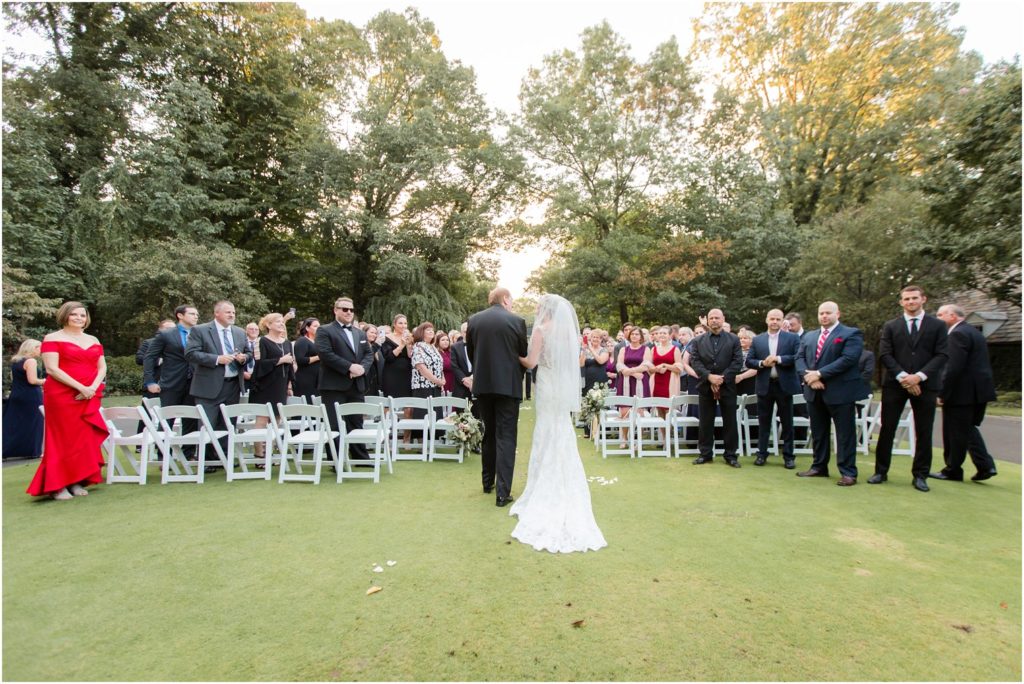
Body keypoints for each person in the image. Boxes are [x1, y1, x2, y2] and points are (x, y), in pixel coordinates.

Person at [511, 294, 606, 553]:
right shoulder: (567, 333)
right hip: (560, 385)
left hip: (546, 383)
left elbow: (531, 362)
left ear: (545, 310)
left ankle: (543, 480)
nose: (537, 310)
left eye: (538, 307)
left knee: (545, 428)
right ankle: (562, 471)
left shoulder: (541, 330)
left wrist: (515, 355)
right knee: (560, 426)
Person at [870, 285, 948, 492]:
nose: (910, 302)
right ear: (901, 302)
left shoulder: (937, 325)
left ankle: (920, 475)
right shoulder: (891, 326)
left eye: (914, 298)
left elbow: (942, 354)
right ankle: (880, 471)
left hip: (926, 385)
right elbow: (885, 354)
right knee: (887, 428)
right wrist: (904, 377)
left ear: (923, 299)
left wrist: (919, 377)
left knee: (924, 430)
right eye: (906, 299)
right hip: (895, 384)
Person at [27, 302, 108, 500]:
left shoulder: (93, 339)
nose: (79, 318)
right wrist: (81, 387)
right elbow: (52, 369)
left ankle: (77, 480)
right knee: (62, 439)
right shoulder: (52, 338)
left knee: (83, 439)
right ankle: (58, 486)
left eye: (82, 315)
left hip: (89, 395)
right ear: (65, 316)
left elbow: (102, 367)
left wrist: (91, 388)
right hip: (62, 394)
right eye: (74, 314)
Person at [467, 286, 528, 507]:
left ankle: (487, 482)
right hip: (508, 386)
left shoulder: (474, 320)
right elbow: (523, 353)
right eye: (511, 300)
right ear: (505, 299)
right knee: (506, 437)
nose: (512, 304)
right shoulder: (517, 321)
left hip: (483, 385)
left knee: (489, 433)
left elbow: (471, 353)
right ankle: (503, 493)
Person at [795, 301, 867, 486]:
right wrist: (810, 377)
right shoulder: (809, 336)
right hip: (814, 391)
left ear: (838, 314)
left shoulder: (851, 334)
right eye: (821, 313)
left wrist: (819, 374)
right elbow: (799, 358)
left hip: (840, 392)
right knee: (819, 432)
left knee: (844, 434)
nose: (824, 316)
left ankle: (848, 472)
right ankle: (819, 467)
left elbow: (848, 359)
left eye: (828, 313)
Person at [931, 304, 999, 482]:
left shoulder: (957, 334)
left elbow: (953, 367)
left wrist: (942, 393)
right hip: (978, 391)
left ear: (953, 316)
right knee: (967, 428)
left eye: (940, 315)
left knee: (954, 431)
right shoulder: (974, 332)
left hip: (962, 392)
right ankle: (985, 466)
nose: (938, 318)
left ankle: (952, 470)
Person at [185, 300, 252, 468]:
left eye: (233, 312)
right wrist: (217, 359)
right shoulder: (200, 330)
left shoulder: (239, 332)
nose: (232, 315)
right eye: (228, 312)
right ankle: (207, 460)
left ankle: (225, 457)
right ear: (217, 313)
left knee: (228, 422)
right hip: (208, 385)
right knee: (208, 423)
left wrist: (244, 358)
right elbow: (191, 354)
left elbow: (249, 352)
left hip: (233, 385)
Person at [316, 296, 374, 460]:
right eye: (345, 309)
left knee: (356, 421)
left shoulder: (359, 333)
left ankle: (360, 458)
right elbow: (325, 354)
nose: (349, 312)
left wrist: (362, 368)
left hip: (356, 384)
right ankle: (336, 460)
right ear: (335, 310)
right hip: (333, 385)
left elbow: (368, 354)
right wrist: (349, 367)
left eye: (351, 310)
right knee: (334, 423)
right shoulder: (325, 330)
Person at [745, 309, 801, 468]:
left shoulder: (792, 338)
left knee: (787, 422)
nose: (774, 322)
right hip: (765, 384)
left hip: (784, 385)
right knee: (764, 422)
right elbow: (749, 361)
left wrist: (779, 359)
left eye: (778, 319)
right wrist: (762, 363)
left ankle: (788, 456)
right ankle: (761, 454)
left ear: (782, 321)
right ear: (766, 320)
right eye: (772, 319)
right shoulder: (758, 340)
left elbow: (798, 357)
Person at [689, 308, 743, 468]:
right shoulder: (698, 340)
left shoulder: (733, 339)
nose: (714, 320)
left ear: (723, 319)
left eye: (717, 318)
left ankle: (731, 455)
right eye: (711, 318)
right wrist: (709, 377)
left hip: (727, 386)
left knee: (730, 421)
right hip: (706, 385)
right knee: (705, 421)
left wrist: (721, 379)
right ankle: (705, 454)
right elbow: (695, 361)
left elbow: (737, 361)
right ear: (707, 320)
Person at [249, 312, 296, 456]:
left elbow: (290, 366)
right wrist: (280, 360)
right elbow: (259, 364)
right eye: (278, 321)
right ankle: (259, 454)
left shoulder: (287, 343)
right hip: (264, 385)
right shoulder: (262, 341)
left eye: (282, 321)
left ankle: (270, 452)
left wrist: (289, 385)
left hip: (280, 386)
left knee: (276, 419)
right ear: (268, 325)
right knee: (262, 419)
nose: (281, 324)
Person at [143, 305, 199, 407]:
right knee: (168, 415)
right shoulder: (165, 334)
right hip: (172, 383)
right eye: (192, 314)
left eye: (197, 314)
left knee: (191, 415)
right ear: (180, 315)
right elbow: (150, 357)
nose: (196, 317)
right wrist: (150, 382)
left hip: (194, 383)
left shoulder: (199, 333)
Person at [3, 339, 45, 459]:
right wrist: (45, 381)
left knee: (16, 423)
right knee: (34, 423)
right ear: (32, 348)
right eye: (39, 347)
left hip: (17, 394)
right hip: (31, 396)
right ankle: (32, 451)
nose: (41, 350)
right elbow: (32, 380)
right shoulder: (31, 361)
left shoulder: (16, 361)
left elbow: (14, 379)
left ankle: (7, 450)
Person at [615, 326, 651, 448]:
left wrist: (631, 371)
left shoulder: (646, 349)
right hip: (625, 381)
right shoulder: (623, 349)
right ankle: (624, 438)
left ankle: (638, 440)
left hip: (640, 381)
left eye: (637, 334)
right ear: (629, 336)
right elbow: (619, 364)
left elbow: (646, 365)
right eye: (632, 334)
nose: (634, 336)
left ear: (641, 337)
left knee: (639, 411)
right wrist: (633, 373)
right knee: (624, 411)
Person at [381, 313, 415, 442]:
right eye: (400, 323)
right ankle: (386, 437)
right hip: (391, 374)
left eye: (405, 323)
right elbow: (389, 357)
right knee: (388, 405)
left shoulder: (409, 338)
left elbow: (411, 356)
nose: (403, 325)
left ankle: (406, 439)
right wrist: (401, 344)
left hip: (406, 374)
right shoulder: (387, 338)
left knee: (408, 406)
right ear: (394, 324)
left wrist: (408, 344)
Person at [410, 322, 445, 419]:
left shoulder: (432, 346)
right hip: (423, 387)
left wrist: (442, 379)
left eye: (432, 330)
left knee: (436, 418)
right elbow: (421, 367)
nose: (431, 331)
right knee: (424, 417)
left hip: (436, 386)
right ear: (421, 332)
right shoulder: (418, 346)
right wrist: (437, 381)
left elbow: (438, 364)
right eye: (428, 330)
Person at [580, 328, 610, 438]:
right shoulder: (586, 350)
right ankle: (587, 430)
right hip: (588, 379)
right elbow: (581, 364)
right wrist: (584, 350)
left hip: (600, 379)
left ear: (601, 339)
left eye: (597, 337)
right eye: (593, 337)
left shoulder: (604, 351)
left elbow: (601, 361)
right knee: (587, 402)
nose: (595, 339)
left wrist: (591, 349)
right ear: (590, 338)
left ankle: (600, 430)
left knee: (600, 403)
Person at [136, 319, 175, 399]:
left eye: (173, 329)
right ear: (160, 330)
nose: (171, 331)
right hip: (154, 384)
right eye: (168, 328)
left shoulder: (179, 344)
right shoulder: (149, 342)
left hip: (174, 385)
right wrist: (158, 361)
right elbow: (139, 359)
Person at [292, 317, 321, 401]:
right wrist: (319, 357)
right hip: (305, 379)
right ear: (307, 328)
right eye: (315, 326)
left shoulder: (318, 341)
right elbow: (300, 360)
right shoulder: (302, 341)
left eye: (319, 326)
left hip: (317, 379)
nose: (318, 328)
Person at [361, 323, 384, 398]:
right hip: (366, 379)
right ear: (364, 332)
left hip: (375, 379)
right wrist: (376, 345)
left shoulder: (375, 346)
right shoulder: (361, 345)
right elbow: (368, 355)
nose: (374, 335)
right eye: (371, 332)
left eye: (375, 333)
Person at [734, 329, 758, 397]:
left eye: (745, 338)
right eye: (740, 338)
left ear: (752, 340)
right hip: (735, 381)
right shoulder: (734, 351)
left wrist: (741, 377)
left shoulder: (756, 351)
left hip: (750, 380)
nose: (742, 340)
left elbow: (756, 368)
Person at [435, 330, 455, 395]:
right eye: (443, 340)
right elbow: (447, 365)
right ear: (438, 342)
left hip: (453, 380)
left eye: (447, 340)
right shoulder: (436, 353)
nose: (445, 341)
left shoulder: (452, 352)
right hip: (443, 381)